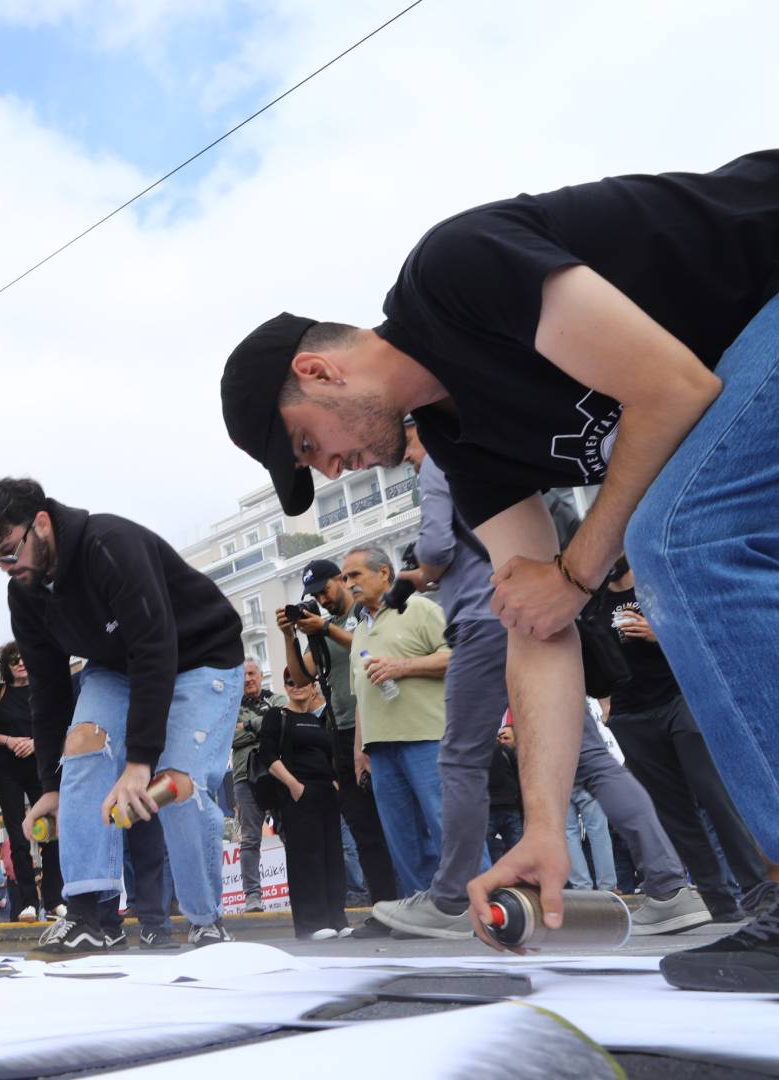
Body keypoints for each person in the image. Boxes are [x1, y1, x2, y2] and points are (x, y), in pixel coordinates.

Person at [218, 150, 779, 988]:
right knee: (676, 532)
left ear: (318, 370)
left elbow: (672, 387)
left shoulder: (452, 275)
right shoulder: (464, 445)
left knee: (680, 537)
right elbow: (536, 622)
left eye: (308, 445)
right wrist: (545, 827)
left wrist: (579, 569)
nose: (331, 470)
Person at [375, 425, 705, 939]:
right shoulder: (503, 444)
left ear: (415, 430)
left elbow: (437, 544)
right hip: (548, 614)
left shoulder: (441, 460)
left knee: (461, 756)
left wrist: (425, 571)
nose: (401, 458)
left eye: (403, 445)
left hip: (485, 622)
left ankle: (447, 901)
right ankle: (668, 887)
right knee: (592, 759)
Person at [0, 477, 244, 958]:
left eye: (10, 552)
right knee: (84, 746)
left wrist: (139, 764)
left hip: (199, 657)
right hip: (116, 668)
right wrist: (52, 788)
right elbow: (47, 691)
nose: (8, 568)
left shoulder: (111, 544)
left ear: (42, 523)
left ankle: (205, 921)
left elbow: (155, 647)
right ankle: (89, 915)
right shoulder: (24, 593)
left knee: (176, 783)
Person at [596, 557, 776, 920]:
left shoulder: (654, 581)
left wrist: (658, 633)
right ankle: (718, 902)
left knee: (714, 794)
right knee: (674, 813)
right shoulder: (593, 601)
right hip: (630, 716)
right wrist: (603, 698)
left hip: (682, 699)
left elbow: (701, 628)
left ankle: (759, 890)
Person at [279, 558, 399, 935]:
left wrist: (326, 627)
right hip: (341, 734)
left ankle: (413, 902)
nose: (321, 599)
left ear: (342, 581)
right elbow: (300, 676)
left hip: (379, 728)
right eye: (313, 596)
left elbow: (366, 649)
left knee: (394, 823)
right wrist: (290, 637)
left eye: (325, 590)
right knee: (364, 829)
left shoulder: (364, 615)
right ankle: (384, 910)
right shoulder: (322, 631)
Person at [340, 546, 451, 897]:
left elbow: (458, 654)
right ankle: (423, 904)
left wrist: (402, 667)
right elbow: (361, 694)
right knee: (402, 836)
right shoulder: (359, 629)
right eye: (345, 578)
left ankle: (473, 903)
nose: (348, 584)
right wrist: (360, 749)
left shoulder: (419, 608)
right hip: (381, 750)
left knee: (447, 826)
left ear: (385, 573)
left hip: (427, 738)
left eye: (355, 575)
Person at [261, 674, 348, 939]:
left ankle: (336, 918)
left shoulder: (318, 719)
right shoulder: (277, 715)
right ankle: (312, 923)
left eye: (302, 681)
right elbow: (267, 754)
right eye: (289, 681)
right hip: (299, 792)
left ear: (313, 687)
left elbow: (328, 754)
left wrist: (334, 782)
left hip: (326, 793)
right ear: (285, 687)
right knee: (305, 858)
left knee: (333, 856)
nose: (296, 685)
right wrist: (294, 785)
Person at [0, 642, 63, 921]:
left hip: (42, 768)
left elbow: (58, 729)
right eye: (13, 660)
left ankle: (54, 899)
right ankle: (28, 901)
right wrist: (10, 741)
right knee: (17, 836)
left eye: (24, 658)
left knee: (52, 832)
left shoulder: (44, 691)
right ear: (5, 665)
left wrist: (34, 743)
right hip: (7, 770)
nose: (20, 663)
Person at [232, 659, 283, 913]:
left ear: (261, 675)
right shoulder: (228, 708)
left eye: (252, 673)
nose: (247, 679)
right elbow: (227, 736)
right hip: (244, 777)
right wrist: (265, 727)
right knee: (250, 840)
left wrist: (248, 726)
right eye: (242, 675)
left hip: (280, 774)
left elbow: (284, 718)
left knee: (290, 833)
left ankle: (302, 886)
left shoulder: (276, 700)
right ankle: (252, 896)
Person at [487, 726, 524, 863]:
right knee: (516, 848)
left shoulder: (505, 751)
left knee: (517, 849)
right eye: (500, 737)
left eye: (506, 738)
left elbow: (518, 778)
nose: (502, 740)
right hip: (494, 809)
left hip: (507, 808)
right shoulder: (505, 751)